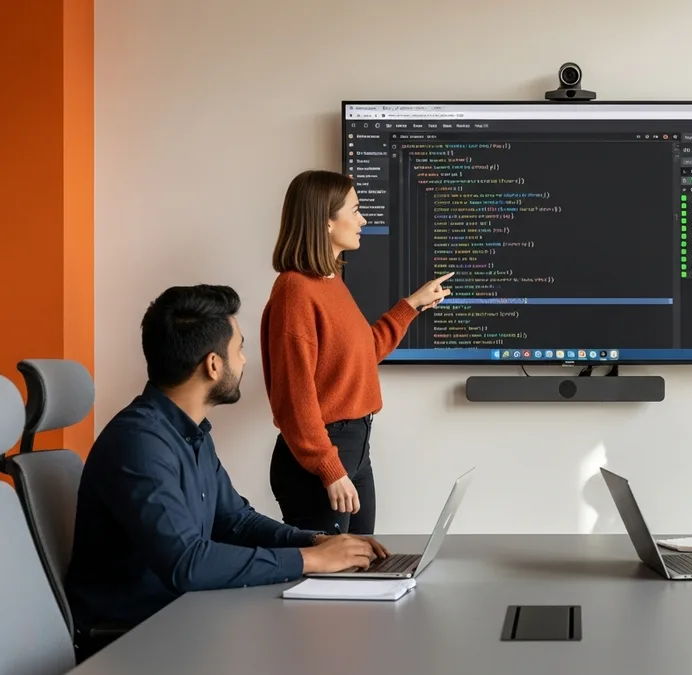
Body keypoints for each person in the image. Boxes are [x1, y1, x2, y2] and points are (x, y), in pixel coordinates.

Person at [66, 285, 387, 659]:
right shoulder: (138, 444)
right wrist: (310, 562)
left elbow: (236, 522)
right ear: (213, 365)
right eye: (240, 350)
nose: (245, 361)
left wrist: (315, 541)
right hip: (134, 638)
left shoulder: (190, 433)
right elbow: (188, 563)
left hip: (183, 615)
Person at [262, 169, 452, 535]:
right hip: (323, 456)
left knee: (363, 565)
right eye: (355, 210)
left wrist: (412, 305)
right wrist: (328, 467)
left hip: (355, 446)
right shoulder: (295, 291)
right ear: (325, 221)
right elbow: (293, 398)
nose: (363, 220)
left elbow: (361, 355)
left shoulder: (329, 282)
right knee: (330, 579)